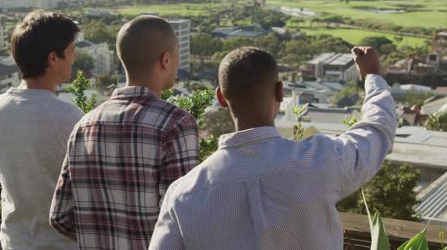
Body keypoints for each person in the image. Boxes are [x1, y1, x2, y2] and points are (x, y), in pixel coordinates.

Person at [150, 46, 396, 250]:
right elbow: (377, 130)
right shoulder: (321, 161)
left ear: (221, 98)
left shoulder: (183, 195)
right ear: (280, 91)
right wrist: (373, 76)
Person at [50, 15, 200, 249]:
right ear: (166, 60)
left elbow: (59, 216)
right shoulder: (176, 124)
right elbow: (185, 219)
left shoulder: (84, 125)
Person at [0, 10, 84, 250]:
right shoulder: (69, 116)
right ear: (53, 58)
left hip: (15, 240)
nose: (75, 56)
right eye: (71, 50)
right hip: (60, 244)